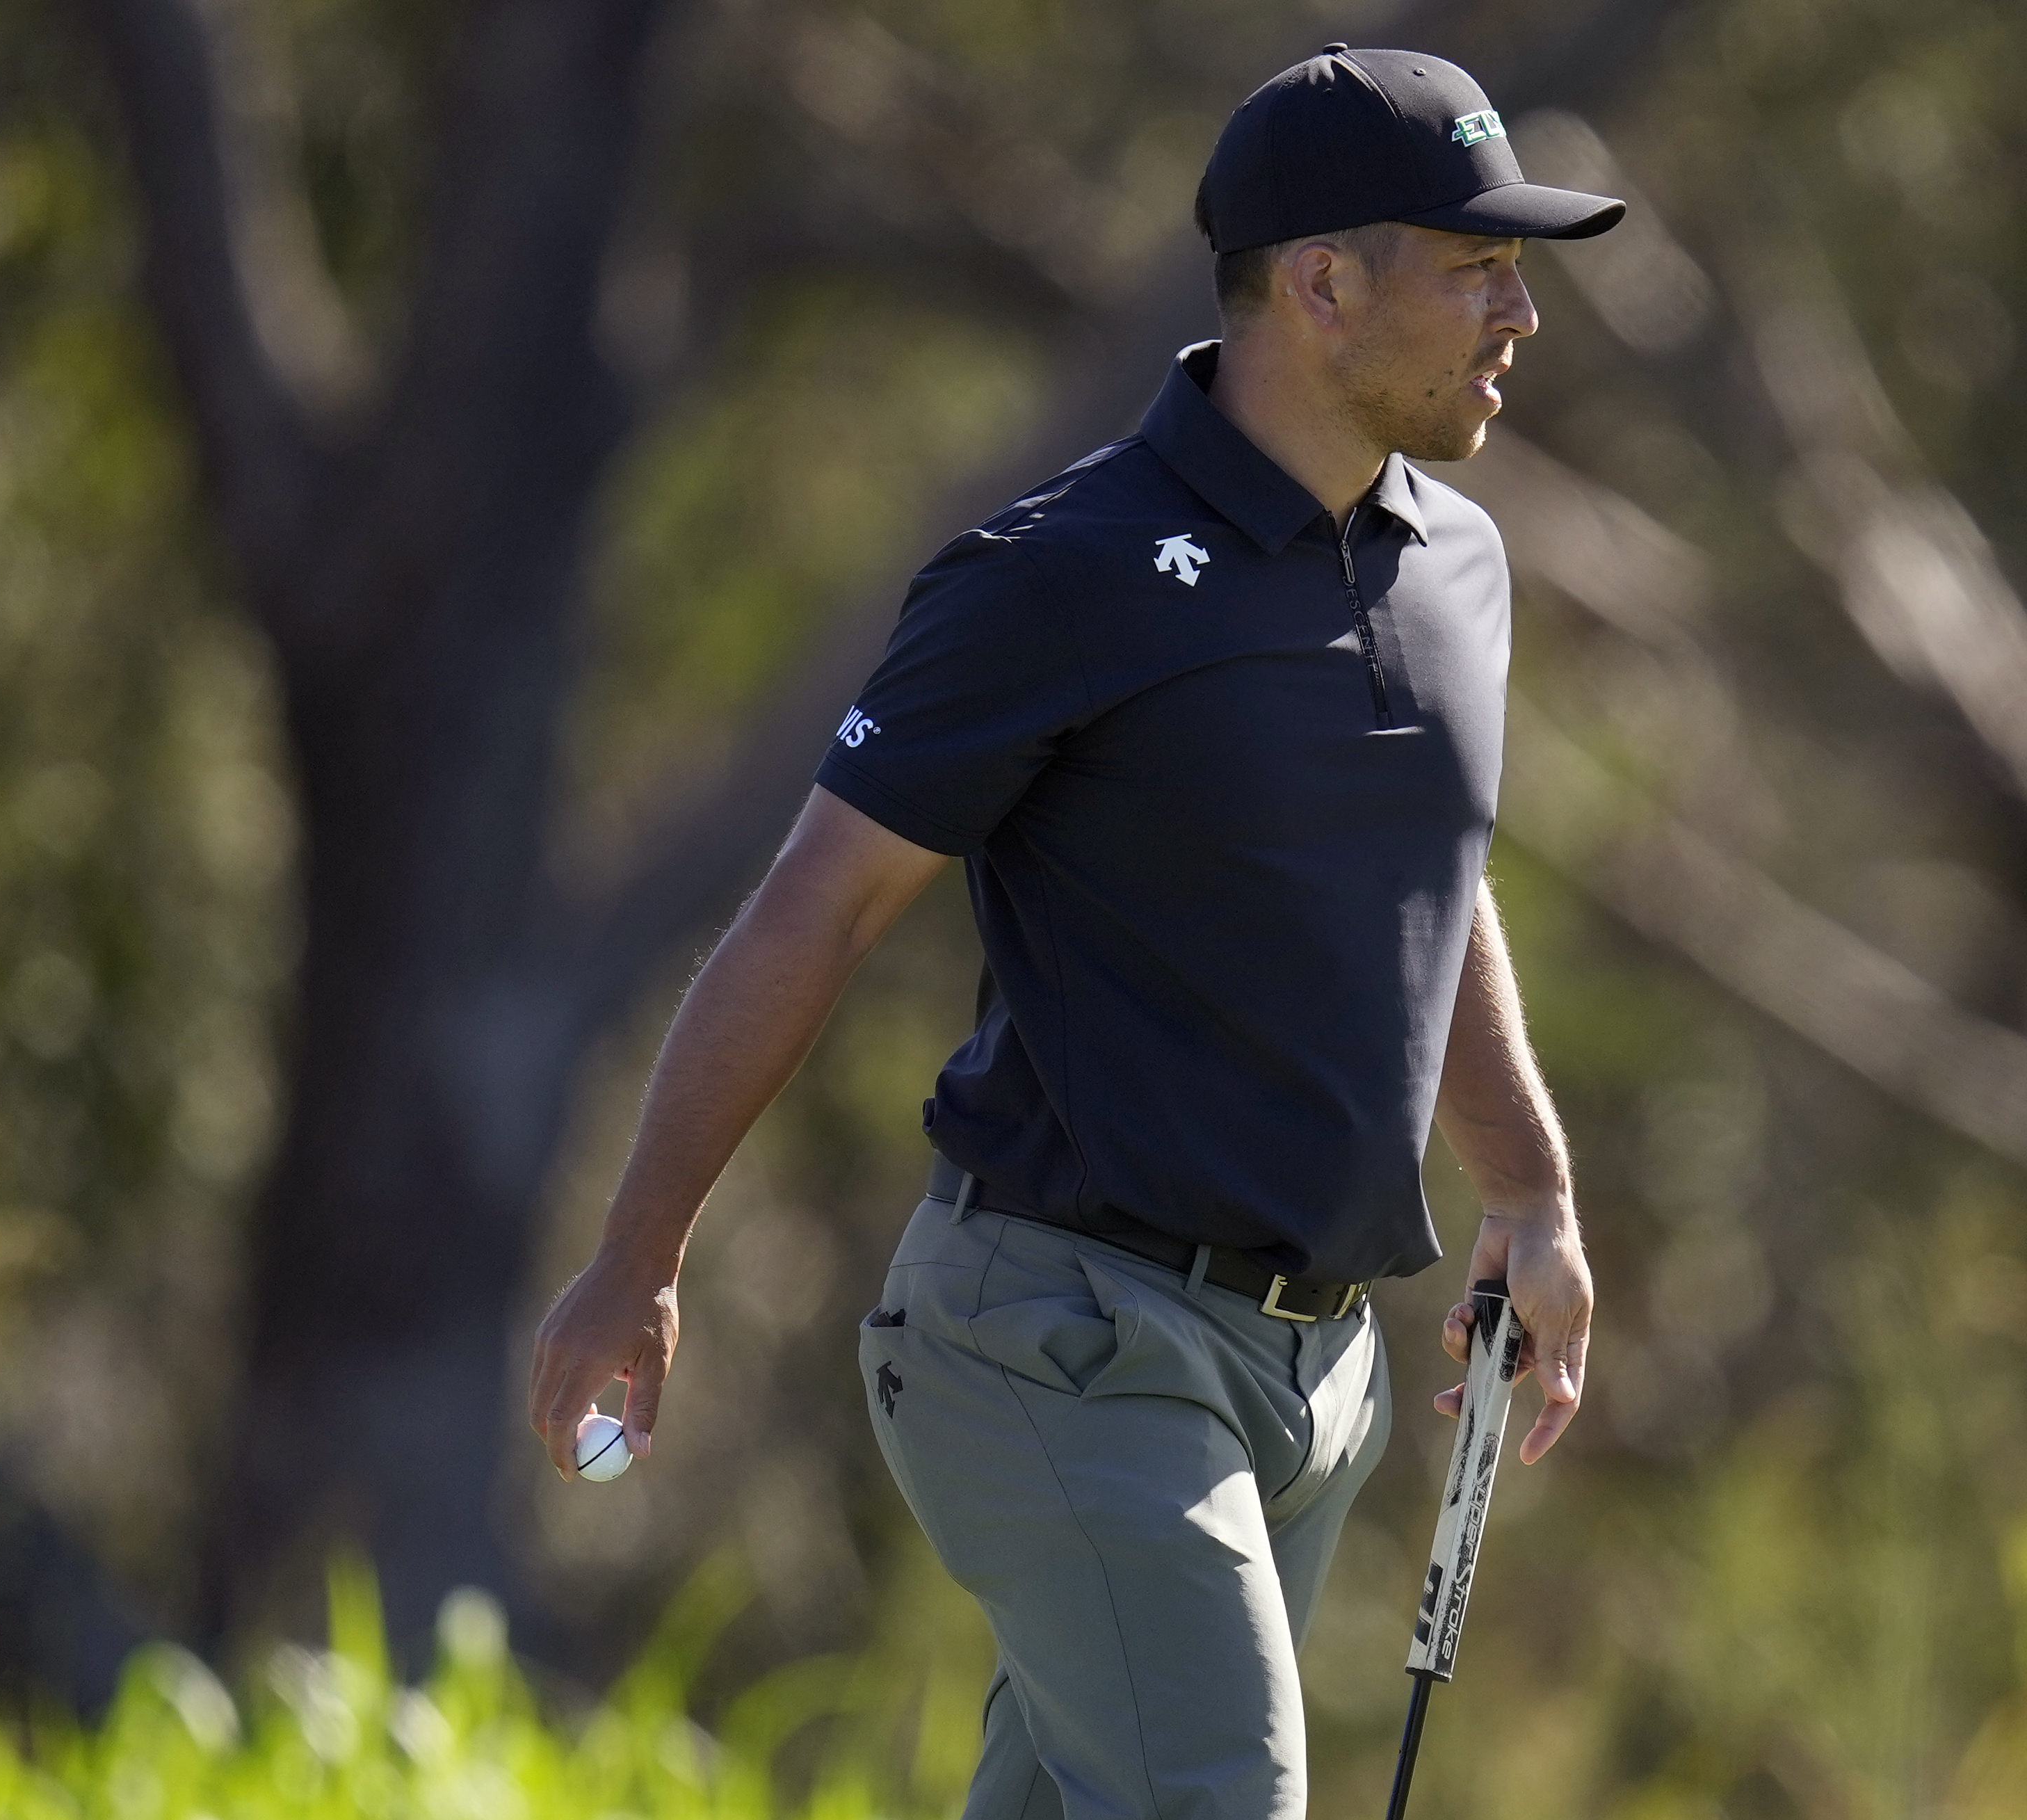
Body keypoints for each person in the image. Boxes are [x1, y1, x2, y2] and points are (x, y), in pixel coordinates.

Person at [528, 42, 1622, 1820]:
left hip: (1312, 1371)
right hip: (1061, 1346)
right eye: (1474, 265)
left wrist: (1530, 1190)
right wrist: (640, 1255)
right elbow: (819, 905)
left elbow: (1431, 886)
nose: (1520, 312)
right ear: (1321, 284)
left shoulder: (1455, 568)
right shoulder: (1069, 569)